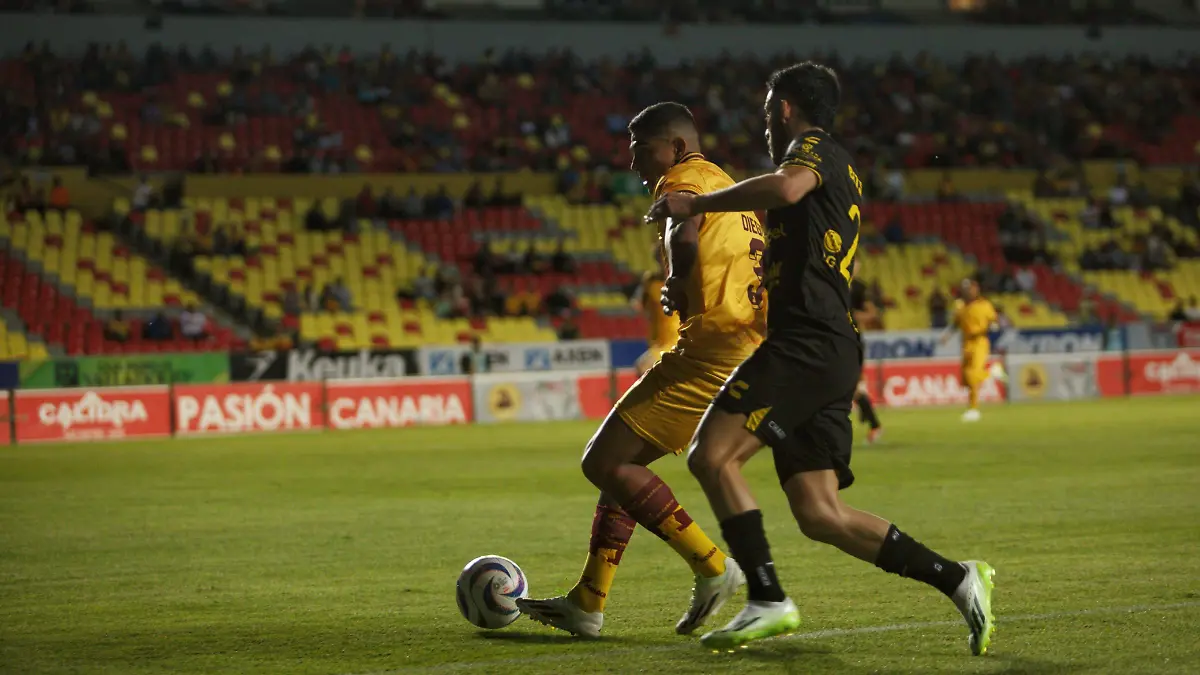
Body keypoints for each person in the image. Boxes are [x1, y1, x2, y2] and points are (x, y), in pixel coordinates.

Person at [645, 62, 995, 654]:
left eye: (765, 113)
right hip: (828, 346)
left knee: (712, 456)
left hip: (807, 342)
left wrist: (698, 205)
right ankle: (959, 578)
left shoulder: (813, 149)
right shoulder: (835, 166)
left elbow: (784, 188)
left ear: (784, 108)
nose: (763, 126)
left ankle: (767, 597)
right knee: (819, 512)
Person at [517, 102, 768, 639]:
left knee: (601, 461)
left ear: (674, 147)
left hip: (711, 351)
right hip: (743, 348)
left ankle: (713, 565)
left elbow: (685, 229)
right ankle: (589, 600)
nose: (632, 162)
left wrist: (676, 280)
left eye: (641, 149)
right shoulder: (727, 183)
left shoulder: (684, 179)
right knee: (622, 467)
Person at [941, 278, 1006, 422]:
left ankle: (974, 408)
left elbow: (994, 321)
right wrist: (947, 336)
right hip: (966, 343)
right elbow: (956, 324)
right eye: (965, 288)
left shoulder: (984, 305)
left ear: (976, 289)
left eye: (970, 288)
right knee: (967, 379)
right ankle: (973, 407)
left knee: (973, 374)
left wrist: (993, 327)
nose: (968, 291)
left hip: (980, 341)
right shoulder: (960, 306)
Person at [631, 247, 681, 376]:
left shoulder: (684, 280)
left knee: (642, 367)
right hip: (657, 341)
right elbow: (640, 305)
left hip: (675, 341)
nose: (664, 261)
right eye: (661, 257)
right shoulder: (650, 281)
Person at [849, 259, 882, 443]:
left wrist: (852, 315)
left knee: (849, 386)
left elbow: (872, 313)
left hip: (852, 340)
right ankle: (870, 418)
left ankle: (874, 424)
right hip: (830, 339)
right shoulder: (832, 281)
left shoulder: (859, 288)